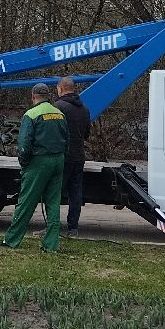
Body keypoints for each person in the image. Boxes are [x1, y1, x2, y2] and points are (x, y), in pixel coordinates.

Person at [0, 83, 68, 253]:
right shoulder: (59, 114)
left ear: (33, 97)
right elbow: (67, 139)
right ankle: (51, 245)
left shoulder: (31, 115)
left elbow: (24, 144)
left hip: (39, 163)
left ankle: (11, 240)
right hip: (58, 160)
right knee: (53, 204)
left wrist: (24, 163)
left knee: (26, 202)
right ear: (48, 96)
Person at [55, 76, 92, 237]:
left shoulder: (58, 107)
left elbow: (53, 133)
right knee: (75, 194)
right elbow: (87, 134)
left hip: (63, 157)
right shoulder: (84, 108)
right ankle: (73, 228)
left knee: (54, 193)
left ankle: (52, 226)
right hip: (78, 157)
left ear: (60, 89)